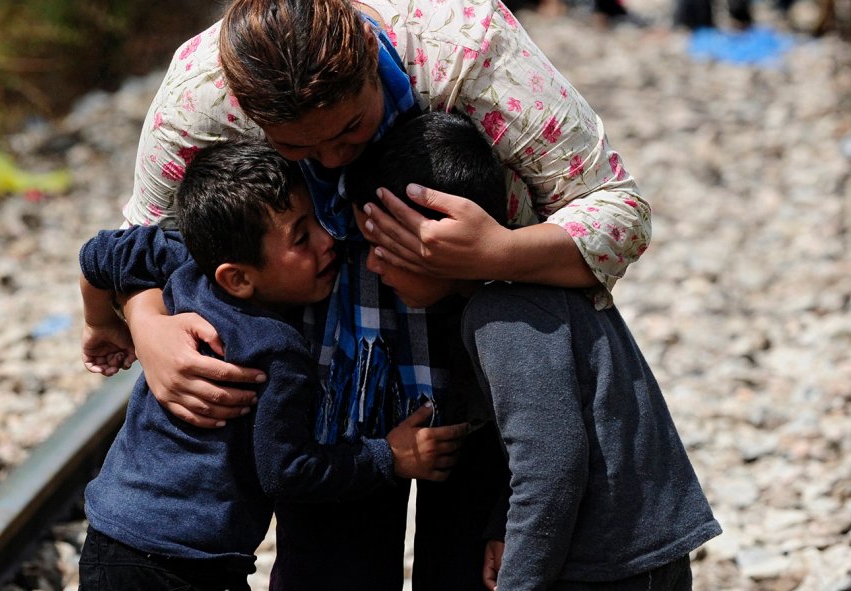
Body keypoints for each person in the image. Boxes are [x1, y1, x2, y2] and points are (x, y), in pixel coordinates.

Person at [84, 0, 651, 588]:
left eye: (352, 129)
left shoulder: (467, 46)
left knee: (470, 567)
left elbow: (619, 212)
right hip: (319, 367)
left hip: (481, 337)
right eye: (299, 150)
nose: (333, 160)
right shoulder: (199, 96)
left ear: (373, 66)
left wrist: (489, 254)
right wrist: (148, 328)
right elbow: (144, 243)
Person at [346, 109, 722, 590]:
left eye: (382, 245)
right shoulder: (533, 277)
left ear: (436, 238)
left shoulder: (501, 315)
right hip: (639, 551)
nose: (373, 267)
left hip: (610, 566)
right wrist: (503, 525)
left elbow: (551, 466)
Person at [77, 138, 468, 590]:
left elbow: (102, 251)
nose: (329, 241)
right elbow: (288, 471)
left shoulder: (184, 261)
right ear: (238, 278)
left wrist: (99, 319)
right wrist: (389, 456)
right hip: (187, 566)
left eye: (317, 222)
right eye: (302, 237)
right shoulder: (276, 352)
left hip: (111, 536)